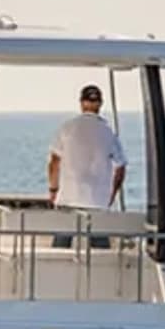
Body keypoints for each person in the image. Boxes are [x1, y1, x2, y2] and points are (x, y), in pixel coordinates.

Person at [46, 85, 125, 248]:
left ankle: (56, 273)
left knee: (61, 247)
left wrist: (53, 190)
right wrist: (112, 194)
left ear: (81, 103)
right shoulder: (108, 132)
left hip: (68, 198)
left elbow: (54, 162)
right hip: (98, 201)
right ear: (100, 104)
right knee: (100, 251)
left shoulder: (67, 128)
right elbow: (121, 167)